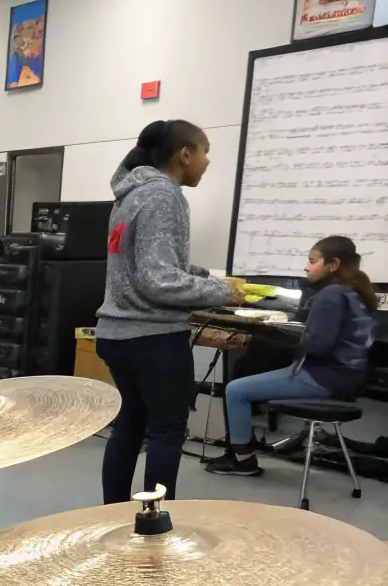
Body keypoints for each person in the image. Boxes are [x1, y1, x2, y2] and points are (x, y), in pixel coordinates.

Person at [94, 120, 241, 504]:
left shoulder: (130, 194)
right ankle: (152, 526)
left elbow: (143, 264)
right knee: (166, 430)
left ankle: (112, 515)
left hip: (115, 333)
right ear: (185, 153)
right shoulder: (164, 195)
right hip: (152, 338)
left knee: (130, 426)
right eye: (205, 152)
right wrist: (225, 292)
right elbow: (157, 280)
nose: (207, 162)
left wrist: (204, 277)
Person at [207, 236, 378, 476]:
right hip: (346, 377)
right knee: (251, 368)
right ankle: (246, 444)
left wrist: (277, 333)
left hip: (323, 377)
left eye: (312, 261)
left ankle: (243, 460)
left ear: (333, 264)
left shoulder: (331, 295)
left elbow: (317, 346)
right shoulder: (356, 293)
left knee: (236, 389)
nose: (306, 267)